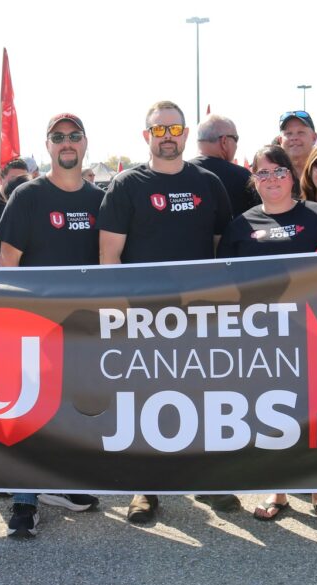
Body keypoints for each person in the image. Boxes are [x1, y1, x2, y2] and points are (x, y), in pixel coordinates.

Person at [98, 100, 233, 522]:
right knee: (145, 401)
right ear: (147, 136)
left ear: (186, 133)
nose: (167, 137)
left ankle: (207, 481)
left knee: (203, 397)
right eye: (159, 130)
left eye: (174, 129)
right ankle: (146, 487)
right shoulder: (126, 185)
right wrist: (120, 312)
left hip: (199, 313)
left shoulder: (209, 182)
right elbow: (109, 256)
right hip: (144, 314)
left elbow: (221, 250)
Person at [217, 146, 317, 523]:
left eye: (279, 171)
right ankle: (279, 490)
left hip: (315, 330)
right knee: (274, 411)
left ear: (292, 175)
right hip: (263, 335)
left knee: (315, 412)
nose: (272, 179)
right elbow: (225, 282)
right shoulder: (240, 225)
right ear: (254, 180)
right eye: (263, 173)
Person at [0, 113, 103, 537]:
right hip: (34, 325)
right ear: (48, 146)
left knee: (73, 413)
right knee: (30, 413)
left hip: (83, 328)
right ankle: (24, 501)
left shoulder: (101, 200)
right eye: (58, 137)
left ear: (85, 142)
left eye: (74, 136)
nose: (67, 143)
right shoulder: (28, 195)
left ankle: (60, 484)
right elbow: (7, 262)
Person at [189, 114, 256, 215]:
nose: (237, 145)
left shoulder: (180, 174)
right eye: (236, 139)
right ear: (224, 141)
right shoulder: (243, 176)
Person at [277, 110, 317, 180]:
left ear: (314, 138)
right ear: (280, 140)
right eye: (289, 133)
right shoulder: (271, 178)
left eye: (301, 132)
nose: (294, 138)